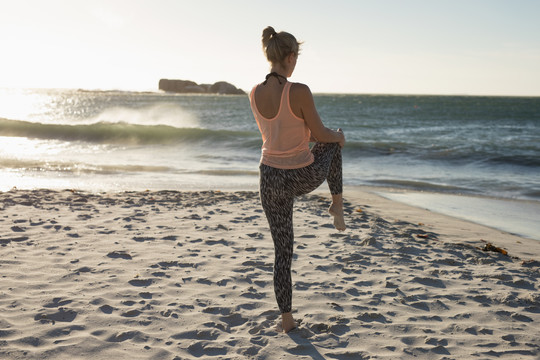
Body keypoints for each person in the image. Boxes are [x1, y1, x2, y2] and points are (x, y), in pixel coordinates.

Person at [249, 26, 346, 333]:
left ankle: (287, 321)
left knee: (283, 252)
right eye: (296, 58)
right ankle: (338, 206)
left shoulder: (254, 92)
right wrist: (340, 136)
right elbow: (321, 135)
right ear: (290, 57)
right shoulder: (298, 90)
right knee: (332, 143)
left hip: (269, 177)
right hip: (301, 174)